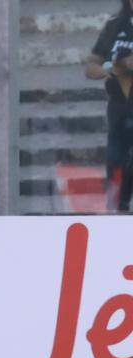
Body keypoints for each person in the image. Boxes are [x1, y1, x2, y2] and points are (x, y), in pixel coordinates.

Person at [85, 0, 133, 213]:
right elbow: (90, 67)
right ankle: (117, 210)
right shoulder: (115, 24)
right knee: (115, 160)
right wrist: (110, 67)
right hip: (119, 107)